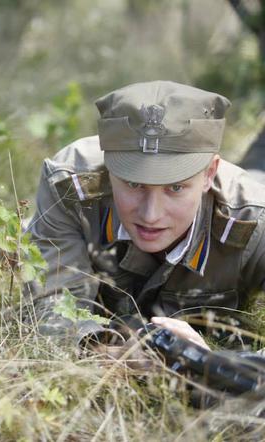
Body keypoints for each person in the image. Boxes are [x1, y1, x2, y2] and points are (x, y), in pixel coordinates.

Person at [26, 80, 265, 353]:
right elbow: (52, 305)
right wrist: (101, 352)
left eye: (175, 187)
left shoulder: (253, 219)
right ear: (109, 167)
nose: (151, 214)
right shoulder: (71, 188)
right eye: (134, 184)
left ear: (209, 174)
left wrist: (208, 363)